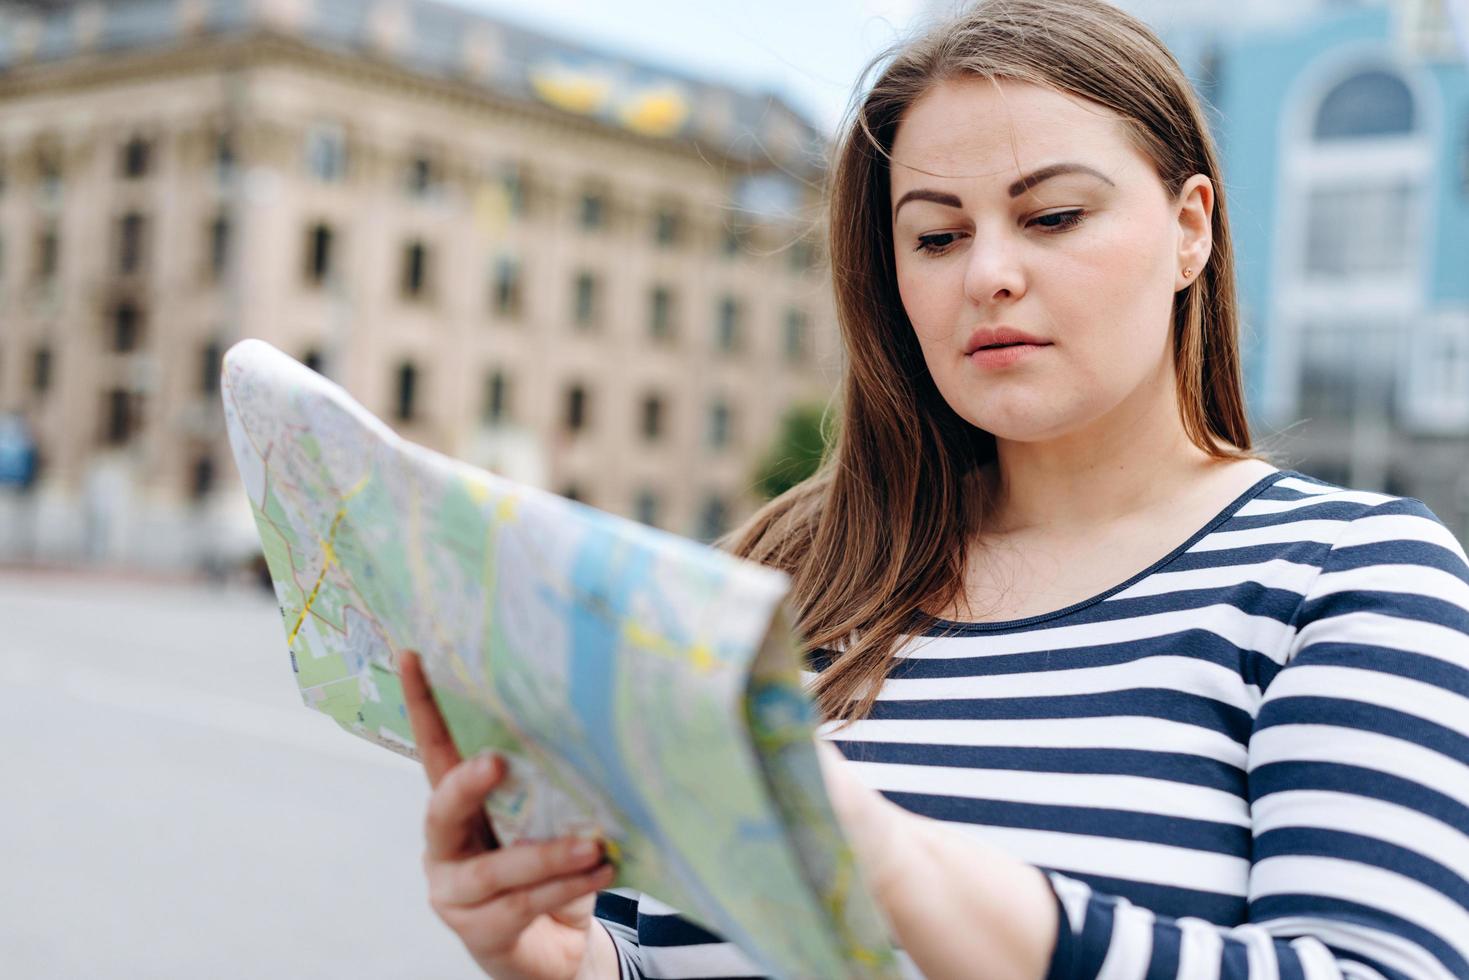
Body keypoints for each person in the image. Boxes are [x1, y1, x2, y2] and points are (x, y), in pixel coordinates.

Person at [398, 0, 1469, 977]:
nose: (984, 273)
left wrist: (896, 863)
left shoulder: (1349, 575)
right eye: (936, 234)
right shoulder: (781, 574)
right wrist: (568, 958)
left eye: (1050, 216)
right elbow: (671, 950)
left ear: (1189, 226)